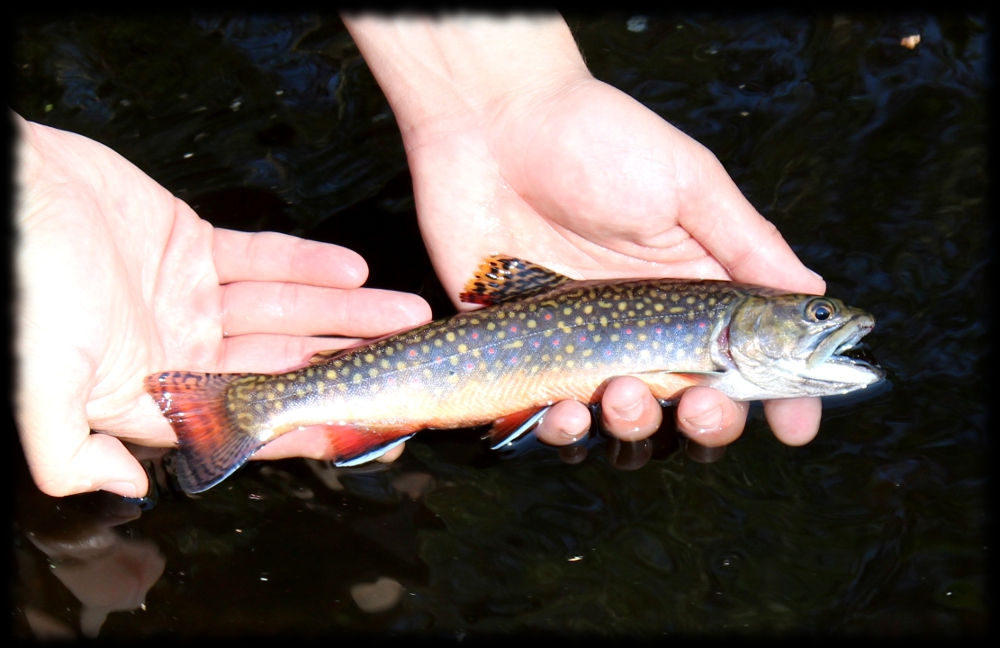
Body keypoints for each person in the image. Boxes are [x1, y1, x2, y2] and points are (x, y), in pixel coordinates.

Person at [14, 15, 826, 500]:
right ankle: (259, 413)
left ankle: (270, 416)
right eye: (816, 318)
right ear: (756, 321)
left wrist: (509, 96)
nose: (828, 325)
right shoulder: (707, 330)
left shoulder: (712, 333)